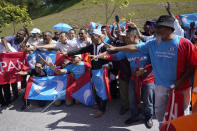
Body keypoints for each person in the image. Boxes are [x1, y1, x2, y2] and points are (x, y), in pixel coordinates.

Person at [106, 15, 197, 129]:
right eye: (156, 27)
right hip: (160, 86)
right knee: (160, 112)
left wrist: (181, 81)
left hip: (181, 87)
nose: (156, 30)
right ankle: (162, 128)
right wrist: (116, 49)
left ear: (169, 28)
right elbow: (135, 47)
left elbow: (192, 66)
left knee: (181, 113)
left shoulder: (185, 44)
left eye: (159, 27)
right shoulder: (153, 43)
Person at [93, 27, 155, 129]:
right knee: (132, 98)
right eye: (125, 38)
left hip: (147, 78)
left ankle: (148, 117)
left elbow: (154, 62)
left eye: (127, 37)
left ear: (135, 36)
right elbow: (115, 57)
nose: (125, 39)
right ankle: (134, 116)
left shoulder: (145, 47)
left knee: (147, 99)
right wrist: (102, 56)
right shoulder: (126, 50)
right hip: (133, 78)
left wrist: (144, 70)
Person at [62, 29, 109, 118]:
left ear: (98, 36)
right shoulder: (92, 46)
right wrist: (68, 53)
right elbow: (81, 50)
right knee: (97, 89)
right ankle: (100, 105)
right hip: (94, 71)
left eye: (93, 35)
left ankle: (102, 109)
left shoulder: (104, 47)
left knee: (102, 91)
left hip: (101, 71)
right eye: (91, 35)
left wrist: (108, 67)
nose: (91, 37)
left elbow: (110, 58)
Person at [2, 26, 29, 101]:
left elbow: (25, 50)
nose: (18, 35)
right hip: (11, 63)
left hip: (20, 63)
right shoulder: (13, 38)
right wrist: (7, 47)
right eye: (17, 33)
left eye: (20, 34)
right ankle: (15, 94)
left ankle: (23, 93)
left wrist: (26, 50)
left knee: (22, 78)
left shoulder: (24, 41)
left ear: (23, 36)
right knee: (13, 79)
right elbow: (3, 38)